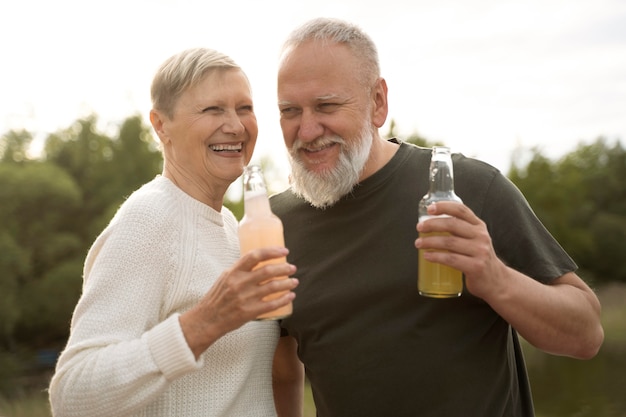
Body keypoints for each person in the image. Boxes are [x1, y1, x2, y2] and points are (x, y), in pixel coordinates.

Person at [270, 17, 604, 417]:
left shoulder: (469, 188)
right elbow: (277, 368)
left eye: (326, 105)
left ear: (378, 102)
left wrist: (495, 278)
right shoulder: (274, 225)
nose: (307, 130)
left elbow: (586, 335)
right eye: (290, 111)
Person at [48, 47, 298, 417]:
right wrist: (202, 325)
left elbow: (266, 375)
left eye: (244, 108)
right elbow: (72, 393)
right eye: (213, 109)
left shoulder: (232, 226)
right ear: (161, 125)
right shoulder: (148, 220)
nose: (235, 125)